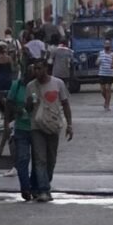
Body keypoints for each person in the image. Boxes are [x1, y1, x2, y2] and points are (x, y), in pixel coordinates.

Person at [26, 60, 74, 202]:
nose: (37, 72)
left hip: (53, 125)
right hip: (36, 126)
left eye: (40, 68)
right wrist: (29, 103)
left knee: (51, 159)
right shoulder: (31, 86)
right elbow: (27, 109)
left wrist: (69, 125)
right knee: (40, 159)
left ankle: (45, 182)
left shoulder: (58, 84)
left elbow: (65, 104)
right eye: (35, 69)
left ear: (46, 68)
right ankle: (44, 190)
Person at [0, 76, 36, 201]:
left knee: (38, 161)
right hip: (21, 130)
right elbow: (8, 110)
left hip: (37, 129)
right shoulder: (17, 87)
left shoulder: (38, 86)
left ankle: (36, 187)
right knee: (23, 160)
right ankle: (26, 188)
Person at [98, 38, 113, 111]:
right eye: (106, 44)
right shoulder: (101, 53)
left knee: (108, 89)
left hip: (109, 74)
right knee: (102, 90)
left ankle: (107, 105)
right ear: (103, 45)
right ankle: (106, 100)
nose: (107, 45)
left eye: (108, 44)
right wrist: (98, 61)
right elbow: (97, 62)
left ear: (110, 45)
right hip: (102, 73)